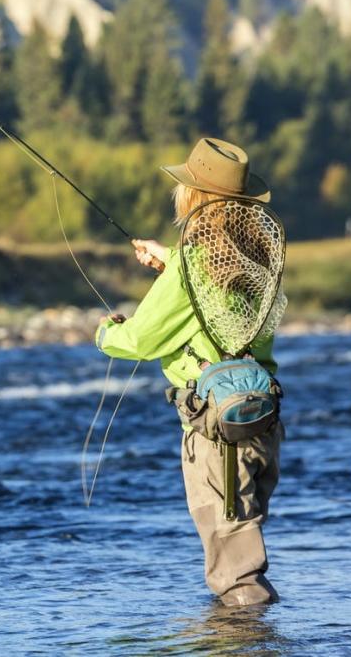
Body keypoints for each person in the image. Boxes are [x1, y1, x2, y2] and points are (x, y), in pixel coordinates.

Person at [95, 138, 284, 607]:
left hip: (217, 435)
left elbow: (139, 340)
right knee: (242, 547)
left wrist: (104, 332)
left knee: (236, 570)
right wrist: (171, 263)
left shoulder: (191, 265)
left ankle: (244, 642)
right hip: (263, 426)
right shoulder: (257, 260)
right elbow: (216, 311)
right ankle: (254, 639)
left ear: (194, 198)